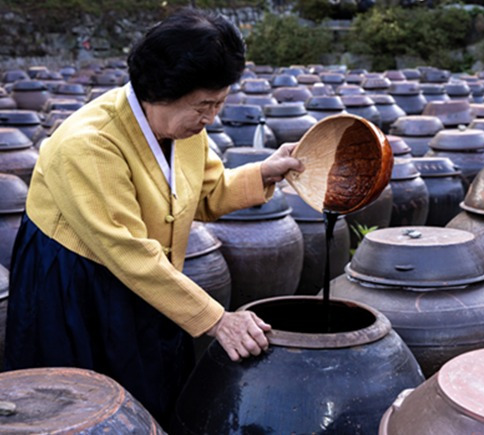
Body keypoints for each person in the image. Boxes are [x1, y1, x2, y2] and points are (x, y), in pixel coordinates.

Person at [4, 7, 303, 427]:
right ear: (160, 90)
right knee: (88, 405)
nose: (211, 118)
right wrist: (218, 320)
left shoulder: (184, 131)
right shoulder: (89, 144)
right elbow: (126, 251)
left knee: (151, 389)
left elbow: (205, 194)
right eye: (203, 104)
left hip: (148, 275)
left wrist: (263, 172)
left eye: (218, 103)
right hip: (78, 284)